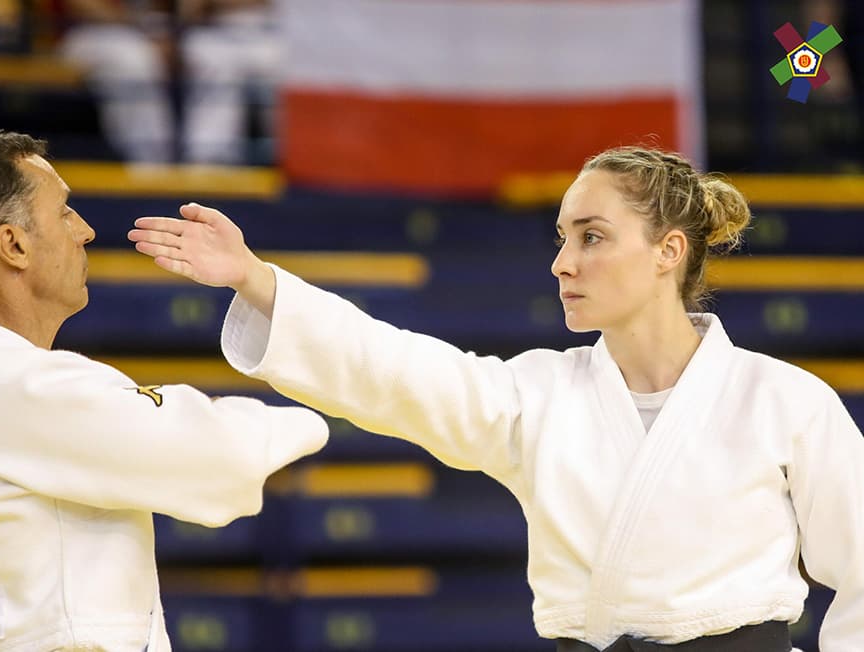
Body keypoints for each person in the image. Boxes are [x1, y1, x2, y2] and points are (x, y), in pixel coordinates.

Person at [128, 146, 864, 651]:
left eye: (592, 237)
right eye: (561, 237)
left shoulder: (784, 401)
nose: (562, 262)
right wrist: (258, 279)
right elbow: (395, 370)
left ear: (668, 251)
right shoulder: (538, 394)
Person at [0, 129, 328, 651]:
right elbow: (216, 456)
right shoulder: (23, 388)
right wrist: (321, 407)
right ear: (14, 244)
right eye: (65, 213)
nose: (86, 231)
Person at [48, 0, 279, 164]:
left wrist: (173, 33)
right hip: (86, 31)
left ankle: (210, 162)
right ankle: (150, 166)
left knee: (210, 54)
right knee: (132, 61)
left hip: (155, 29)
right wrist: (148, 33)